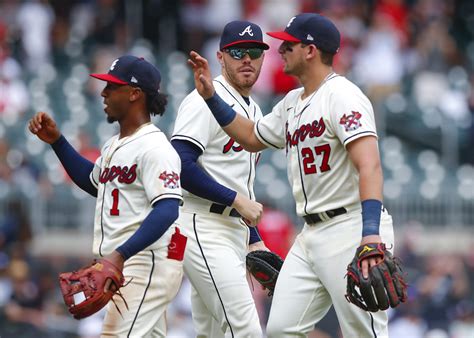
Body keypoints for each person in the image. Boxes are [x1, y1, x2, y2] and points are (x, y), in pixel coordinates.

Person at [188, 13, 396, 337]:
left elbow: (370, 165)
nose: (280, 50)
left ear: (310, 51)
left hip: (351, 226)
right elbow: (251, 136)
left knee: (364, 332)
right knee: (281, 330)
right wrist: (212, 97)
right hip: (310, 235)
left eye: (288, 45)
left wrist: (370, 235)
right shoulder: (290, 103)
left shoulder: (343, 96)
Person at [28, 55, 186, 337]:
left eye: (112, 87)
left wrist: (119, 256)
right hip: (128, 263)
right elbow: (94, 182)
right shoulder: (116, 145)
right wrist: (57, 142)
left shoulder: (155, 148)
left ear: (135, 94)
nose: (103, 93)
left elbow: (168, 209)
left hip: (145, 262)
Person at [170, 20, 269, 336]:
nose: (247, 60)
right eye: (237, 52)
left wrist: (253, 238)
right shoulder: (203, 99)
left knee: (212, 332)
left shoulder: (255, 111)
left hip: (232, 230)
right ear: (221, 56)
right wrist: (237, 201)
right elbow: (180, 165)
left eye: (254, 52)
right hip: (201, 225)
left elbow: (240, 179)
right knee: (246, 329)